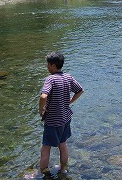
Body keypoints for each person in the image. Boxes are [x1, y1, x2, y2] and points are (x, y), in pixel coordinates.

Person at [39, 51, 84, 179]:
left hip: (53, 120)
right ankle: (63, 169)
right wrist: (70, 101)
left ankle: (43, 172)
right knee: (62, 144)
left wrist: (40, 109)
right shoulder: (68, 77)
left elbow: (43, 96)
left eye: (47, 64)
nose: (47, 66)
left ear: (53, 65)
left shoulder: (50, 79)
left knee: (46, 147)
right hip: (65, 117)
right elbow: (80, 90)